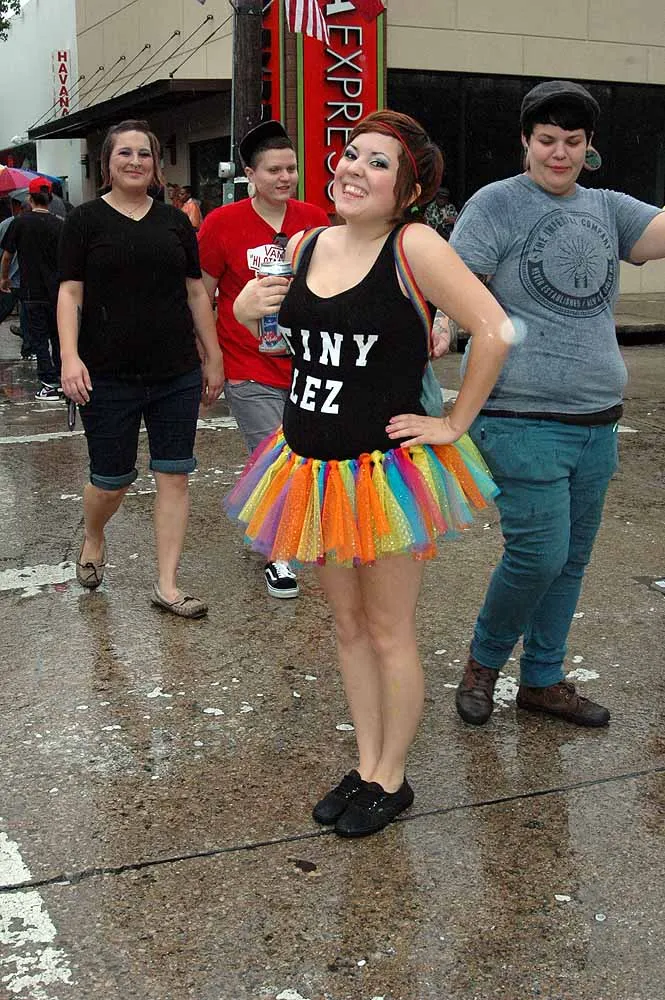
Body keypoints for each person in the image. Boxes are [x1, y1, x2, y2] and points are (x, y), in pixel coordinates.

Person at [230, 109, 511, 837]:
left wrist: (454, 422)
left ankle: (392, 774)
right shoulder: (306, 242)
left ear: (408, 191)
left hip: (384, 476)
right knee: (348, 627)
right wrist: (245, 307)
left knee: (388, 629)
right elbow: (282, 338)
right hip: (311, 471)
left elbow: (495, 330)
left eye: (378, 163)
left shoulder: (413, 246)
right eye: (351, 154)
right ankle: (365, 764)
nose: (354, 169)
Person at [449, 80, 665, 729]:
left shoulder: (607, 207)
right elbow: (452, 286)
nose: (559, 153)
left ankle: (542, 680)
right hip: (519, 416)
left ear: (587, 145)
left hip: (596, 420)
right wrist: (436, 329)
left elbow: (658, 234)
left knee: (570, 560)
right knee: (538, 554)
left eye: (572, 141)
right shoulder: (495, 204)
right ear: (526, 141)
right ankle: (483, 663)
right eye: (546, 140)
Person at [57, 119, 224, 617]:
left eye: (144, 154)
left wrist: (213, 355)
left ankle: (167, 585)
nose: (135, 161)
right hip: (106, 374)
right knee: (111, 480)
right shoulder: (84, 221)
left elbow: (196, 292)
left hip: (175, 372)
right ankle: (93, 534)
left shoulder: (175, 222)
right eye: (124, 153)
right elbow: (70, 292)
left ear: (156, 165)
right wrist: (70, 356)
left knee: (175, 475)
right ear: (107, 163)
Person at [197, 120, 329, 599]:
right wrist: (212, 358)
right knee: (276, 454)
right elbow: (202, 294)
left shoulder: (314, 218)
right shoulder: (221, 224)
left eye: (291, 168)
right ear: (250, 174)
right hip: (248, 365)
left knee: (305, 454)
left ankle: (273, 531)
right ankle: (279, 556)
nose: (285, 177)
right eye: (274, 170)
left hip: (307, 364)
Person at [0, 177, 63, 399]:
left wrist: (4, 278)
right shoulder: (60, 224)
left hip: (31, 290)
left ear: (29, 197)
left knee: (39, 339)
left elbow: (7, 255)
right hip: (56, 291)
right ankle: (62, 378)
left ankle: (49, 384)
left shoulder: (20, 223)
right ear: (50, 197)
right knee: (58, 337)